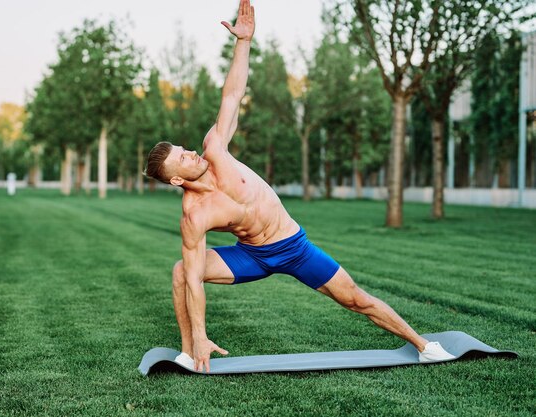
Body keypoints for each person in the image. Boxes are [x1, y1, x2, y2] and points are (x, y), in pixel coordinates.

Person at [145, 0, 454, 373]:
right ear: (176, 179)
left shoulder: (216, 149)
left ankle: (423, 345)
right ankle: (190, 351)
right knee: (183, 270)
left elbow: (232, 95)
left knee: (355, 298)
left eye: (184, 149)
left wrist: (243, 42)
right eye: (182, 158)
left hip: (292, 246)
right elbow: (195, 279)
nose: (191, 152)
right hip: (252, 256)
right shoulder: (194, 215)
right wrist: (200, 332)